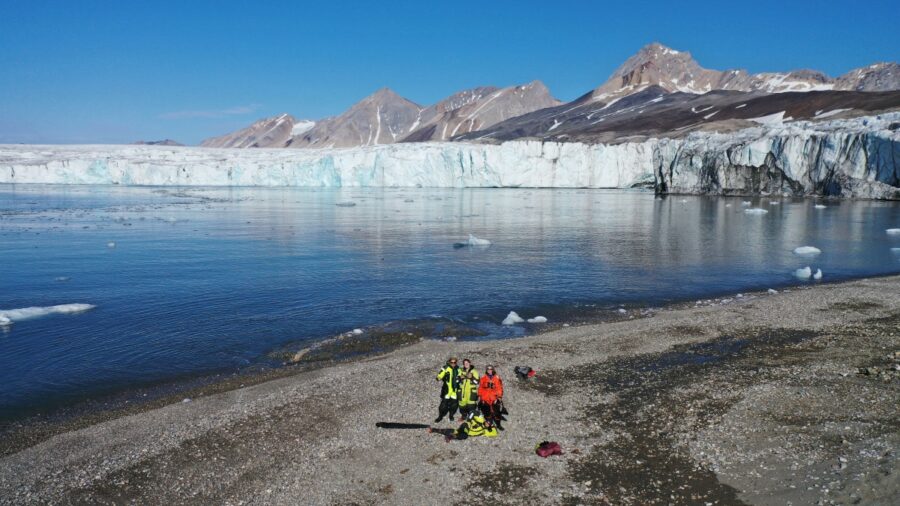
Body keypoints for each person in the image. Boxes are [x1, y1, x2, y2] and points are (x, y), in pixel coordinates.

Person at [478, 364, 505, 430]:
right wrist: (481, 397)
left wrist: (499, 397)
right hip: (485, 398)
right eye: (488, 369)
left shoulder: (497, 378)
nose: (489, 371)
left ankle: (498, 425)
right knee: (487, 413)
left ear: (493, 370)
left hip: (494, 398)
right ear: (486, 370)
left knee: (497, 413)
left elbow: (499, 388)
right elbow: (480, 388)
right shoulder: (483, 378)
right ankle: (489, 424)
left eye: (491, 369)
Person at [434, 357, 461, 423]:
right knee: (443, 405)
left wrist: (460, 378)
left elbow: (461, 375)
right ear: (449, 362)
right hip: (447, 390)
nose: (453, 364)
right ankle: (440, 416)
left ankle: (451, 415)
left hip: (455, 390)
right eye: (452, 362)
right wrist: (438, 377)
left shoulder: (458, 368)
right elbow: (440, 374)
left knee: (454, 405)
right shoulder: (445, 368)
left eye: (454, 362)